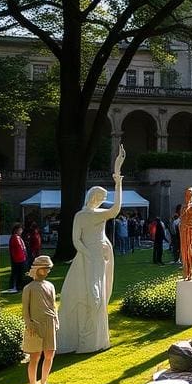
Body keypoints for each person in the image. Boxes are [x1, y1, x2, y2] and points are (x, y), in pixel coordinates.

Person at [57, 145, 126, 353]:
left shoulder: (97, 214)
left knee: (98, 294)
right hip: (89, 257)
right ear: (93, 197)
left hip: (99, 256)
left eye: (104, 199)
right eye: (101, 198)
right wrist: (87, 254)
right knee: (89, 294)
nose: (102, 201)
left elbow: (115, 210)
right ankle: (86, 337)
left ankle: (94, 338)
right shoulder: (83, 215)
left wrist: (118, 180)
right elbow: (75, 240)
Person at [21, 255, 59, 384]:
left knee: (49, 355)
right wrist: (28, 323)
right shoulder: (29, 288)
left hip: (50, 323)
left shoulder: (50, 286)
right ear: (38, 269)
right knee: (35, 357)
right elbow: (25, 308)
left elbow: (53, 305)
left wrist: (56, 320)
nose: (48, 271)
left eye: (49, 269)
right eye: (45, 268)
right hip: (35, 325)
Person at [179, 187, 192, 280]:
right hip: (183, 230)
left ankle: (190, 272)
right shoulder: (183, 206)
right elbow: (182, 218)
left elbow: (191, 219)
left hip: (189, 230)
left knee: (189, 251)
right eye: (187, 195)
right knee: (184, 250)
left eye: (190, 195)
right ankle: (185, 270)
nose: (188, 197)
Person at [8, 223, 28, 293]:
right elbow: (16, 249)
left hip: (21, 258)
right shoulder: (14, 238)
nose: (21, 231)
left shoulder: (18, 238)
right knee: (16, 273)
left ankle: (18, 286)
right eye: (20, 230)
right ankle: (14, 286)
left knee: (19, 273)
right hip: (18, 259)